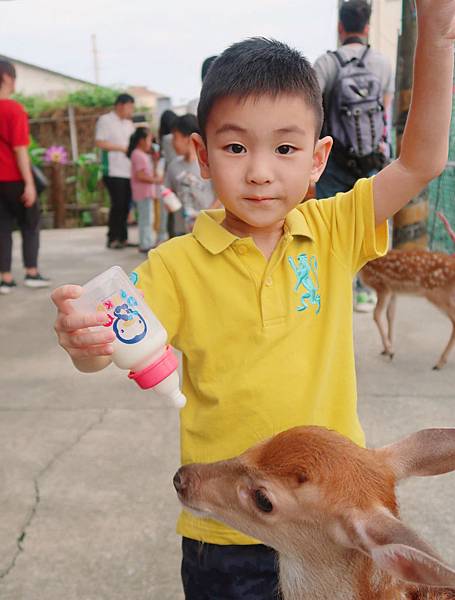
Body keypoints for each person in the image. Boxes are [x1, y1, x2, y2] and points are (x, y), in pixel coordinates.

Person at [52, 4, 454, 596]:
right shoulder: (175, 265)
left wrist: (440, 35)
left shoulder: (334, 228)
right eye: (237, 149)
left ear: (318, 159)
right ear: (201, 153)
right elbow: (111, 345)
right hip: (226, 531)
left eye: (285, 150)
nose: (261, 173)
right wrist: (84, 339)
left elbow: (420, 162)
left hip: (325, 531)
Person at [313, 0, 394, 312]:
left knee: (328, 224)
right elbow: (383, 114)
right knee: (364, 226)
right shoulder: (382, 64)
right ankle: (363, 291)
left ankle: (329, 291)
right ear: (367, 27)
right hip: (371, 161)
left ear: (340, 27)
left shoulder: (327, 63)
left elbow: (310, 109)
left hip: (334, 161)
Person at [0, 58, 50, 294]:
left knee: (2, 228)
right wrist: (29, 183)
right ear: (7, 78)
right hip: (15, 179)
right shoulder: (13, 109)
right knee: (30, 224)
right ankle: (31, 272)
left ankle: (5, 278)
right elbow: (20, 149)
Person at [95, 93, 135, 249]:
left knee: (126, 205)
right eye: (129, 106)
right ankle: (112, 238)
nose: (131, 110)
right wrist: (121, 148)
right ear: (120, 105)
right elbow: (99, 142)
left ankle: (123, 238)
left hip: (128, 170)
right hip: (112, 170)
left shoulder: (129, 124)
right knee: (117, 204)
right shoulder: (105, 120)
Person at [165, 114, 215, 236]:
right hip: (181, 229)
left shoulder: (209, 163)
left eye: (175, 138)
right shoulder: (173, 166)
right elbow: (167, 191)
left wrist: (204, 218)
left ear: (188, 139)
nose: (172, 143)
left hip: (208, 227)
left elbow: (221, 196)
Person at [127, 127, 161, 253]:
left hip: (144, 192)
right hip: (143, 193)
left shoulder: (140, 154)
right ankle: (145, 244)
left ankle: (146, 242)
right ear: (141, 141)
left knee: (146, 218)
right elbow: (140, 175)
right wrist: (156, 180)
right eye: (148, 140)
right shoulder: (138, 155)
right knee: (146, 219)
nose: (150, 143)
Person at [156, 109, 178, 243]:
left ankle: (168, 237)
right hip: (177, 174)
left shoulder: (163, 138)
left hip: (168, 176)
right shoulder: (172, 138)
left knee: (169, 209)